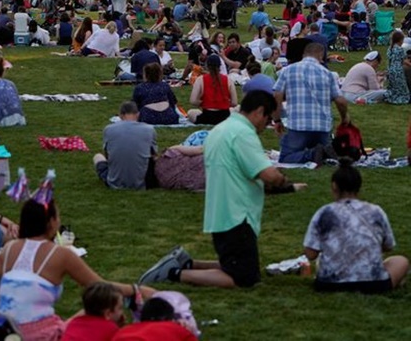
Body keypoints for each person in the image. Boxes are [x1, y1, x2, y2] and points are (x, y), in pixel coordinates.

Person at [139, 91, 302, 289]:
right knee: (244, 279)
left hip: (220, 212)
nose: (265, 125)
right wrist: (283, 181)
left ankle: (187, 263)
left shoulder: (221, 129)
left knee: (240, 266)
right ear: (259, 112)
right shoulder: (243, 133)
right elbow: (267, 174)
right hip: (238, 215)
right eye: (267, 119)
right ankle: (175, 273)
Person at [0, 199, 149, 341]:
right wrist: (136, 290)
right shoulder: (60, 254)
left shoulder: (8, 248)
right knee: (97, 309)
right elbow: (99, 286)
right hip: (42, 335)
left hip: (3, 331)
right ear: (51, 222)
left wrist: (16, 304)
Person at [303, 158, 409, 293]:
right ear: (359, 187)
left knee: (321, 261)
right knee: (400, 261)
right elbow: (388, 247)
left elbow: (310, 254)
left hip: (330, 284)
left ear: (334, 186)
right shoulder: (376, 211)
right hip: (373, 283)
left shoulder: (324, 212)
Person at [273, 41, 349, 163]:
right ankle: (322, 152)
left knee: (286, 158)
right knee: (324, 155)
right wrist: (345, 118)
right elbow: (340, 101)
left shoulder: (288, 70)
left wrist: (277, 119)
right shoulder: (328, 74)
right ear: (320, 55)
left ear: (304, 54)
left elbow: (277, 95)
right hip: (322, 127)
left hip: (298, 125)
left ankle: (313, 154)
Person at [94, 101, 158, 190]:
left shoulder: (109, 129)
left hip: (114, 181)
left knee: (98, 157)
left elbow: (108, 155)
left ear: (120, 115)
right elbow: (153, 155)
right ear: (138, 114)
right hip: (142, 181)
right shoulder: (149, 129)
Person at [187, 54, 236, 125]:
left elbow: (193, 101)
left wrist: (203, 102)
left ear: (207, 66)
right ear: (220, 66)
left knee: (191, 112)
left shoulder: (201, 79)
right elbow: (234, 102)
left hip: (207, 117)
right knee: (236, 108)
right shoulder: (228, 80)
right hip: (224, 116)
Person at [383, 31, 410, 104]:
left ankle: (391, 97)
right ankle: (402, 99)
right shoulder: (400, 49)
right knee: (402, 86)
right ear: (400, 40)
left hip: (391, 69)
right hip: (398, 70)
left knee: (393, 85)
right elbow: (404, 61)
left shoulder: (390, 48)